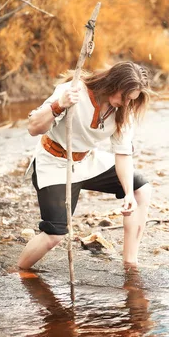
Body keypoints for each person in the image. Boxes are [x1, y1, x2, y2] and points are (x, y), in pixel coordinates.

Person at [17, 61, 153, 269]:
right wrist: (59, 105)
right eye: (124, 97)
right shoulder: (72, 91)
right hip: (54, 163)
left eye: (131, 100)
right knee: (54, 235)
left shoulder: (124, 111)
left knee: (140, 189)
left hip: (87, 161)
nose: (127, 103)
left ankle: (130, 264)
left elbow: (123, 155)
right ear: (113, 84)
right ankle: (18, 270)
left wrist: (127, 194)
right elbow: (34, 128)